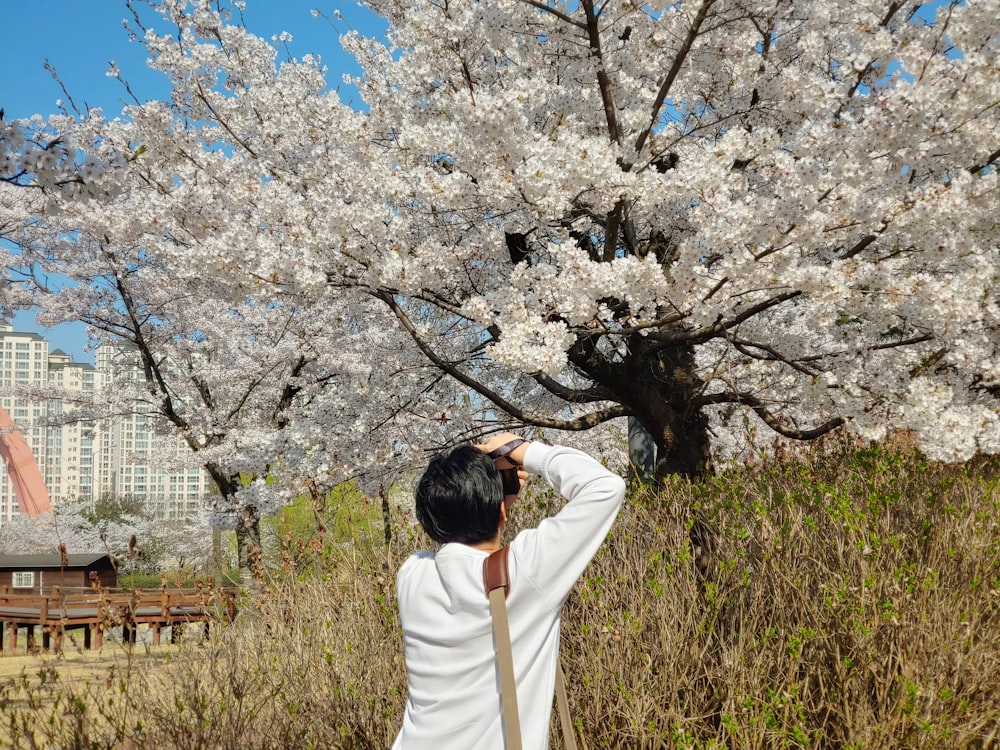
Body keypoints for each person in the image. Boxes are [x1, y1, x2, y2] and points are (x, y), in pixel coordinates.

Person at [392, 432, 626, 749]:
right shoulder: (524, 573)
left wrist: (491, 502)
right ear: (502, 513)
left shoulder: (412, 575)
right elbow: (605, 487)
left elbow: (456, 546)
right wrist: (524, 450)